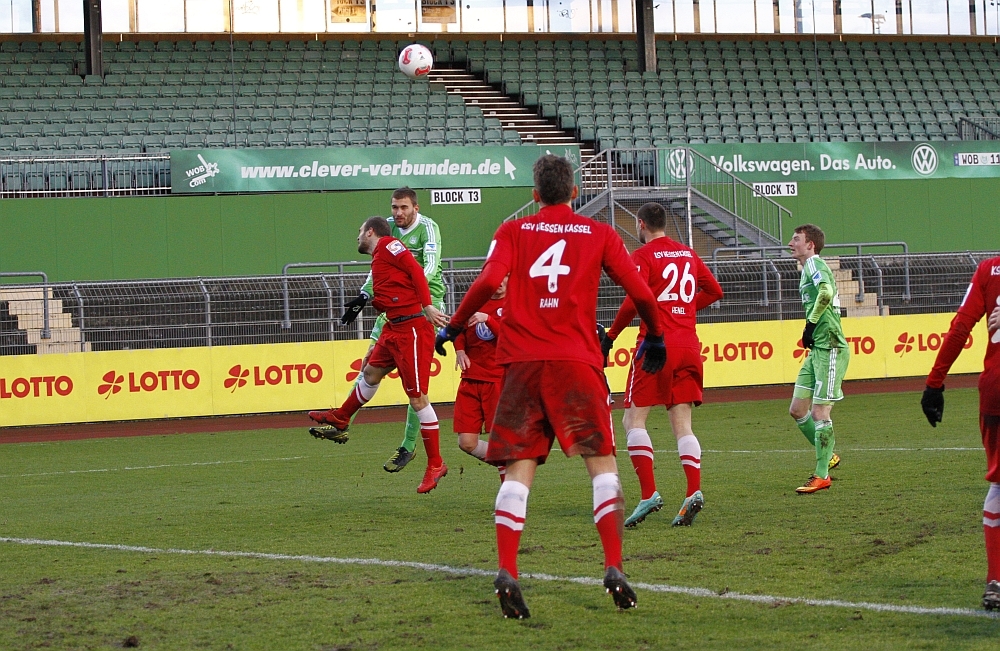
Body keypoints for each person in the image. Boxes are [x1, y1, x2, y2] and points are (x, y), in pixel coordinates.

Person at [435, 155, 667, 619]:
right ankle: (614, 566)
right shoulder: (600, 233)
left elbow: (487, 282)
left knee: (518, 470)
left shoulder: (512, 231)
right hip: (576, 363)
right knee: (602, 467)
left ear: (535, 194)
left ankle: (506, 569)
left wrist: (453, 325)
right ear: (575, 192)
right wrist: (656, 334)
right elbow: (640, 291)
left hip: (520, 365)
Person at [600, 202, 723, 528]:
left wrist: (611, 334)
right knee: (682, 424)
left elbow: (634, 300)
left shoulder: (643, 256)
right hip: (688, 346)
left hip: (656, 347)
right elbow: (715, 290)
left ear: (641, 225)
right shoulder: (687, 253)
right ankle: (692, 491)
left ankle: (649, 493)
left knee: (633, 419)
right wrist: (684, 308)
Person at [309, 216, 450, 495]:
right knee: (371, 372)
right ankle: (341, 417)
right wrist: (364, 299)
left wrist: (427, 306)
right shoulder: (379, 258)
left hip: (411, 327)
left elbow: (416, 271)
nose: (357, 237)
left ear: (370, 232)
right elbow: (390, 286)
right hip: (393, 326)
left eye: (359, 231)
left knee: (418, 398)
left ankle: (436, 463)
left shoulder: (388, 245)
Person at [340, 187, 446, 474]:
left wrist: (414, 298)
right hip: (394, 305)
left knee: (416, 388)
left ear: (416, 208)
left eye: (404, 208)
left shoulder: (428, 229)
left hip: (424, 304)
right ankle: (341, 424)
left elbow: (429, 268)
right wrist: (364, 295)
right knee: (369, 362)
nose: (398, 213)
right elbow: (378, 269)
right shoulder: (388, 231)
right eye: (395, 207)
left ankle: (409, 445)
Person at [921, 256, 1000, 611]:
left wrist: (935, 383)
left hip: (995, 390)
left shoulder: (989, 269)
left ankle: (995, 580)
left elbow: (960, 328)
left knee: (999, 486)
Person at [787, 224, 847, 494]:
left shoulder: (813, 264)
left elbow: (826, 293)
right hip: (818, 350)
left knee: (820, 413)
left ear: (810, 244)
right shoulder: (808, 267)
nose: (791, 243)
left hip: (830, 347)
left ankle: (822, 475)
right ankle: (829, 455)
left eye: (796, 239)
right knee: (798, 409)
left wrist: (810, 324)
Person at [454, 275, 508, 481]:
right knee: (466, 442)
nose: (500, 282)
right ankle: (512, 464)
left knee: (501, 440)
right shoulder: (474, 299)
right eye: (497, 278)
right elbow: (458, 326)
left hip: (498, 380)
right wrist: (460, 350)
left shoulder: (516, 303)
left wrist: (489, 319)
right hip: (470, 379)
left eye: (505, 278)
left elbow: (512, 339)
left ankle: (509, 496)